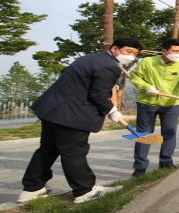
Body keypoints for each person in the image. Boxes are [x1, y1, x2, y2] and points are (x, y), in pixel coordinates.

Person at [17, 38, 142, 204]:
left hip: (52, 110)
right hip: (71, 115)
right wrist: (112, 111)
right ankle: (84, 191)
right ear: (114, 48)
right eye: (128, 51)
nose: (131, 56)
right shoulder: (109, 66)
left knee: (47, 149)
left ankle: (32, 189)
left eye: (135, 54)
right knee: (74, 152)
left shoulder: (90, 58)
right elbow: (97, 94)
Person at [129, 38, 179, 177]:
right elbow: (134, 77)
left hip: (171, 105)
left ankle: (166, 162)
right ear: (163, 51)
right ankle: (140, 167)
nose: (178, 54)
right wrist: (147, 87)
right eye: (175, 51)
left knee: (169, 133)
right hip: (147, 103)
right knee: (144, 135)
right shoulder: (147, 62)